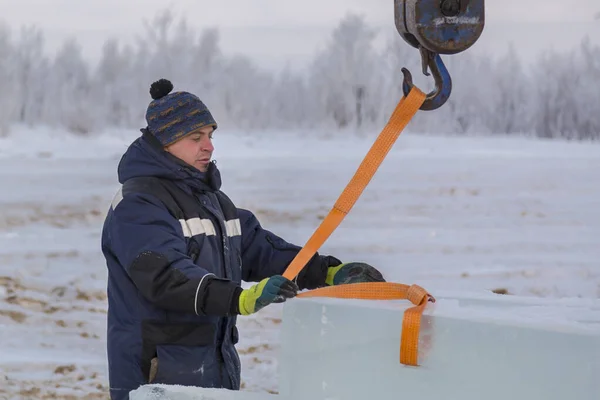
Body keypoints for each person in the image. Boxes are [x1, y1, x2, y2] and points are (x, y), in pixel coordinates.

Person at [100, 78, 385, 399]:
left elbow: (261, 251)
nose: (209, 146)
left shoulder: (215, 203)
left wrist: (327, 271)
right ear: (166, 143)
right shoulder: (139, 203)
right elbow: (166, 277)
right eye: (196, 137)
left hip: (214, 366)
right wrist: (239, 298)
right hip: (157, 372)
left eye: (209, 136)